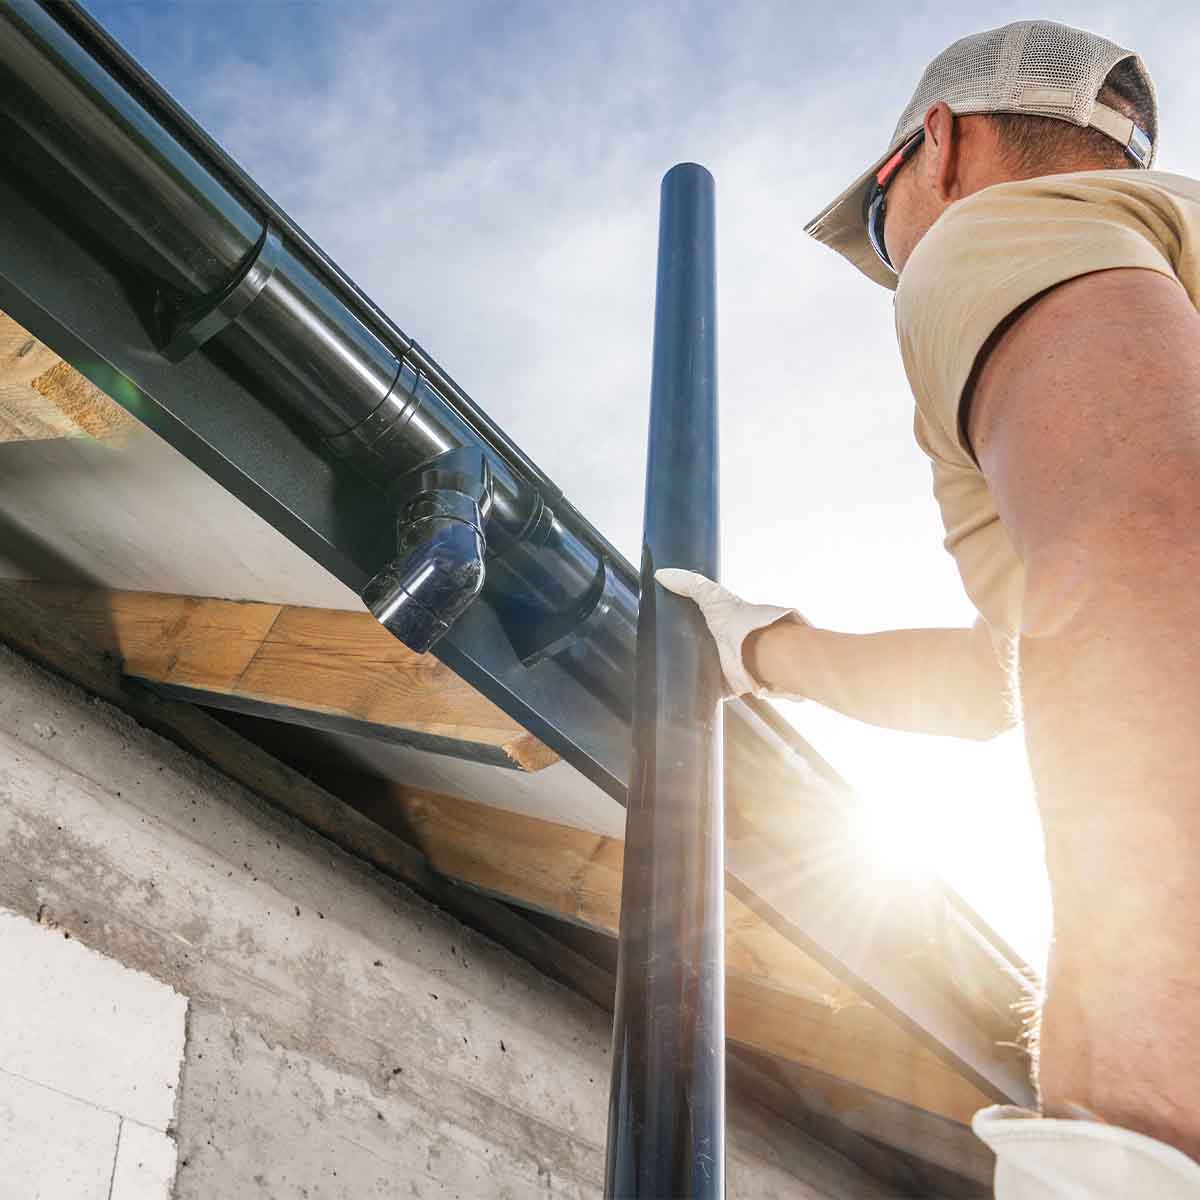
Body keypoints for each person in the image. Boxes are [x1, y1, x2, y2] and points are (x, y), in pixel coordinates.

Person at [657, 19, 1200, 1198]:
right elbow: (1010, 670)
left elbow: (1149, 547)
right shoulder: (1155, 267)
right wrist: (762, 649)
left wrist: (1132, 1126)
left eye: (878, 221)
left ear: (939, 147)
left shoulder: (992, 233)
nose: (897, 259)